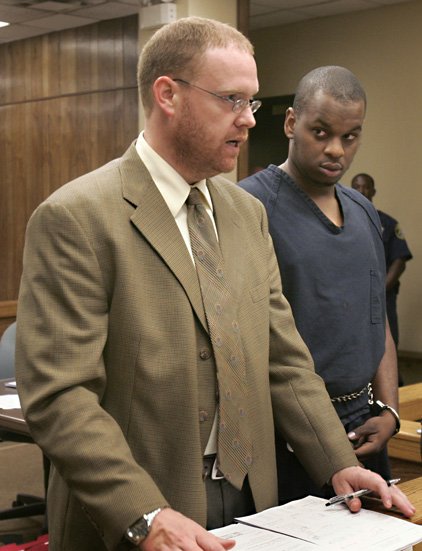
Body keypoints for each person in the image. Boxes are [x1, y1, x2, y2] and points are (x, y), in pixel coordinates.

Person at [15, 23, 414, 551]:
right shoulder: (78, 217)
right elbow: (61, 395)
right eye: (231, 100)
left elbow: (284, 359)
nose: (249, 119)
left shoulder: (246, 215)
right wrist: (144, 512)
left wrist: (337, 462)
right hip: (141, 506)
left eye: (250, 101)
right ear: (168, 95)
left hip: (256, 499)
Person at [239, 66, 403, 503]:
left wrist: (389, 409)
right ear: (291, 123)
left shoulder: (363, 211)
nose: (335, 150)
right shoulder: (249, 206)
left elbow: (378, 317)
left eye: (350, 137)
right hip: (286, 429)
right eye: (321, 132)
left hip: (365, 422)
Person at [351, 173, 412, 349]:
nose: (361, 190)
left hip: (382, 296)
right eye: (356, 186)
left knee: (387, 343)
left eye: (366, 186)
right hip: (350, 296)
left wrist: (379, 291)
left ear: (373, 191)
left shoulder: (388, 223)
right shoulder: (339, 221)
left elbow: (399, 260)